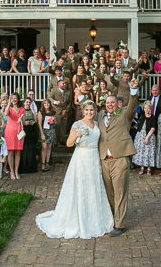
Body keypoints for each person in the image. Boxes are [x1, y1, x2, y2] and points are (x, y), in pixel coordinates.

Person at [36, 100, 115, 239]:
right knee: (81, 187)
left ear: (95, 111)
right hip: (82, 158)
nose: (89, 112)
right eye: (87, 110)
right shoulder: (77, 124)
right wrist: (77, 135)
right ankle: (78, 218)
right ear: (83, 111)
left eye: (92, 110)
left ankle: (94, 217)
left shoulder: (96, 124)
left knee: (94, 187)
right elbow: (68, 143)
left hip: (94, 157)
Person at [96, 78, 140, 237]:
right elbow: (87, 110)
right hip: (104, 160)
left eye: (112, 102)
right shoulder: (100, 116)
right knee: (110, 193)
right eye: (107, 102)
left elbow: (133, 107)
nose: (110, 105)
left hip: (120, 158)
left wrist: (133, 91)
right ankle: (113, 219)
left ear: (117, 104)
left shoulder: (125, 114)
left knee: (120, 192)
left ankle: (120, 225)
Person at [3, 93, 25, 179]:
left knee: (18, 153)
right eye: (12, 98)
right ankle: (11, 171)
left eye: (15, 98)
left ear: (18, 99)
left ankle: (16, 171)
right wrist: (9, 103)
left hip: (18, 132)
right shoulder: (9, 108)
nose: (14, 100)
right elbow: (6, 113)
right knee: (10, 153)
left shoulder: (22, 109)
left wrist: (29, 122)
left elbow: (24, 122)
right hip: (9, 132)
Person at [132, 101, 157, 176]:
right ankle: (142, 167)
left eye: (148, 108)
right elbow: (134, 116)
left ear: (150, 109)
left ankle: (149, 168)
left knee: (149, 152)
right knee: (141, 151)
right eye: (145, 108)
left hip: (148, 136)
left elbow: (153, 128)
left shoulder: (153, 117)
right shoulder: (141, 115)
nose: (146, 109)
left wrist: (147, 138)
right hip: (140, 135)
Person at [20, 99, 40, 174]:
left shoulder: (33, 111)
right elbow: (21, 121)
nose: (28, 103)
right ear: (24, 103)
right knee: (24, 149)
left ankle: (30, 167)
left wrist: (33, 122)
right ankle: (24, 167)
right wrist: (25, 123)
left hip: (31, 131)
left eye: (29, 102)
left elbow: (35, 121)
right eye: (27, 102)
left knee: (31, 149)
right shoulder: (22, 111)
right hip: (25, 131)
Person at [37, 101, 56, 171]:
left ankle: (47, 162)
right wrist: (41, 134)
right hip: (43, 131)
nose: (46, 105)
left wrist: (53, 122)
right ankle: (43, 163)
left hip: (51, 130)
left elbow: (55, 122)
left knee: (49, 147)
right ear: (43, 105)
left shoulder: (52, 112)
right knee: (44, 147)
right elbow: (39, 123)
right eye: (45, 104)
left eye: (48, 103)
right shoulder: (41, 112)